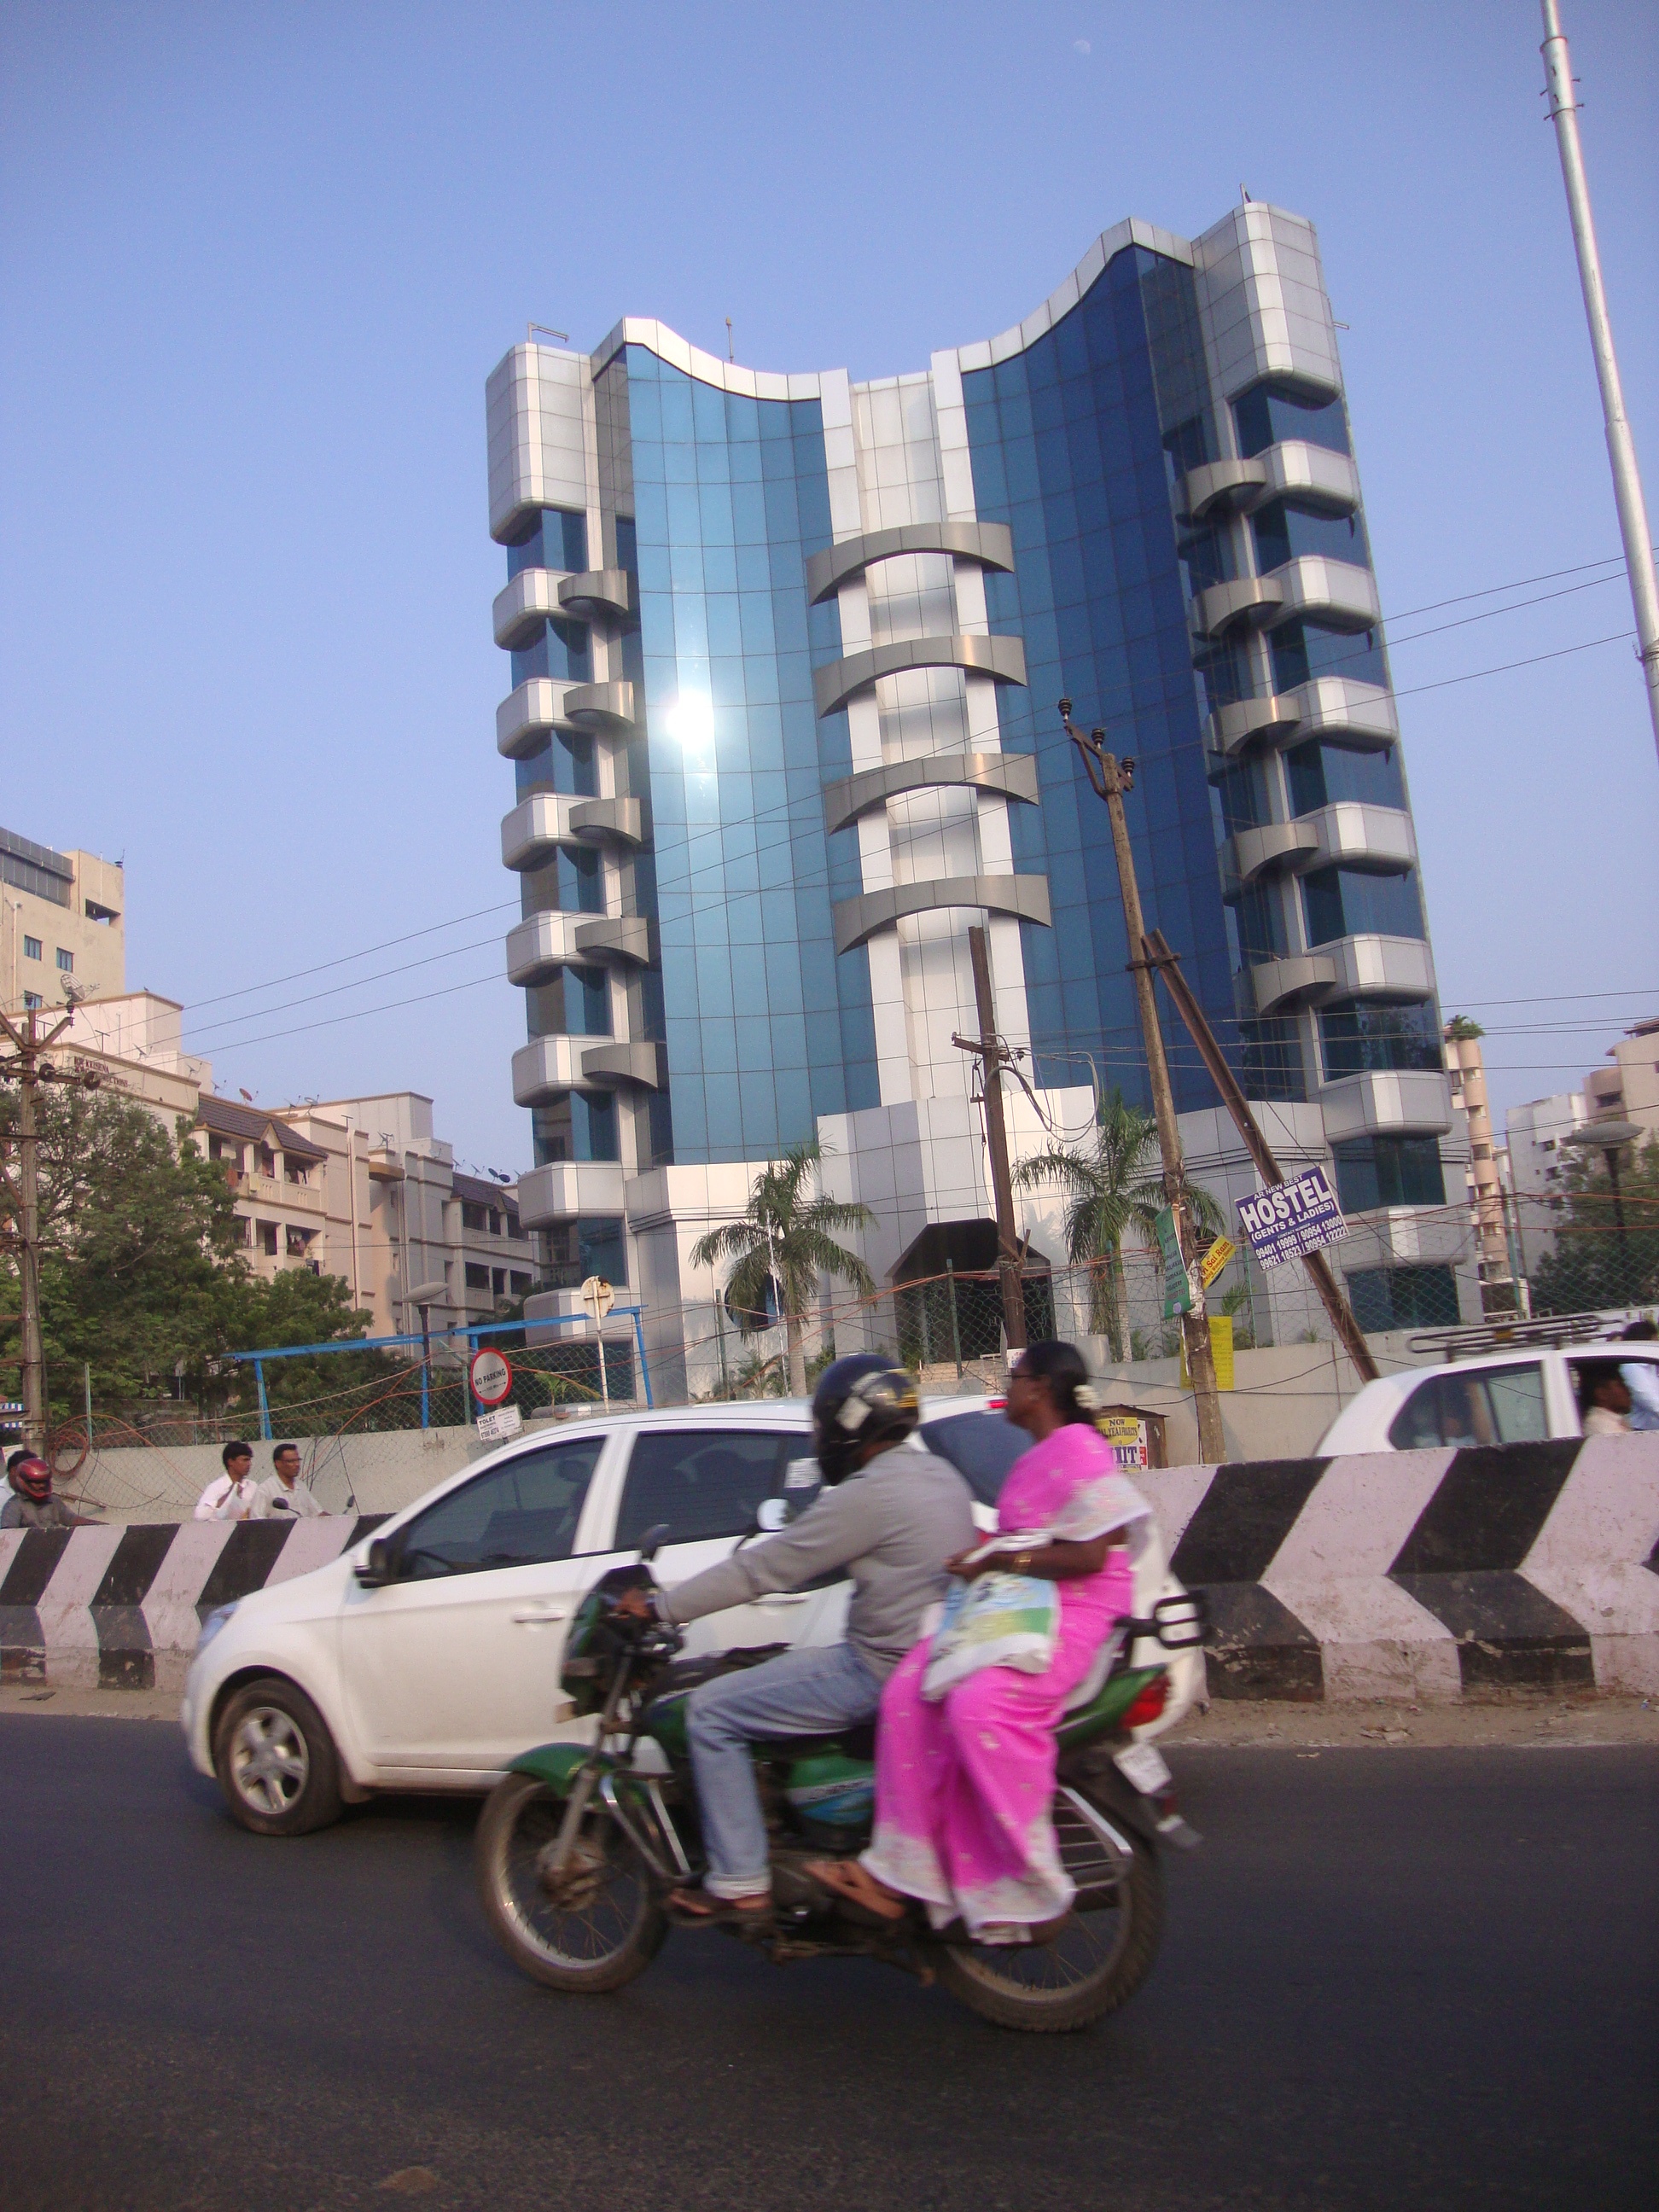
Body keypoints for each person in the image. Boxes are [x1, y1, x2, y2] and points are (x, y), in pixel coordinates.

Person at [812, 1340, 1151, 1942]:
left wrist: (998, 1563)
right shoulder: (1036, 1456)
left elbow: (1089, 1553)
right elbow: (1031, 1538)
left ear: (1039, 1389)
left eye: (1015, 1376)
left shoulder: (1079, 1448)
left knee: (978, 1707)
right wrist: (986, 1553)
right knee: (906, 1695)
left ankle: (1027, 1882)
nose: (1008, 1385)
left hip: (1072, 1608)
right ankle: (905, 1870)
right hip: (1020, 1604)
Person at [617, 1355, 975, 1921]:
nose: (822, 1436)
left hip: (879, 1669)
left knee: (709, 1711)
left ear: (849, 1423)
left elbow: (760, 1571)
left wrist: (661, 1609)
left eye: (825, 1423)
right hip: (934, 1658)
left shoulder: (867, 1495)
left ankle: (741, 1880)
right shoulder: (940, 1475)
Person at [2, 1448, 100, 1530]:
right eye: (36, 1482)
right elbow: (8, 1536)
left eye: (44, 1481)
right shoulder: (14, 1505)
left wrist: (105, 1527)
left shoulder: (53, 1501)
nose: (41, 1486)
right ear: (25, 1481)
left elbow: (73, 1520)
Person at [255, 1441, 325, 1519]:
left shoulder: (301, 1487)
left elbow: (317, 1513)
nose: (297, 1465)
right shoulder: (265, 1490)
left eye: (298, 1460)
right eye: (291, 1461)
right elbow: (257, 1521)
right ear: (278, 1463)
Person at [195, 1441, 259, 1522]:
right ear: (231, 1462)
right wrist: (230, 1494)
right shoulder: (217, 1487)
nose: (249, 1464)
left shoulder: (252, 1486)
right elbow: (200, 1515)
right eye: (245, 1460)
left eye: (249, 1460)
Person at [1618, 1321, 1659, 1433]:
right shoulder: (1631, 1367)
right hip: (1639, 1430)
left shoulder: (1649, 1364)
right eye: (1654, 1340)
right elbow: (1647, 1398)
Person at [1580, 1370, 1633, 1437]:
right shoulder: (1599, 1424)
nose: (1628, 1392)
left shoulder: (1617, 1420)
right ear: (1602, 1394)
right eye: (1620, 1386)